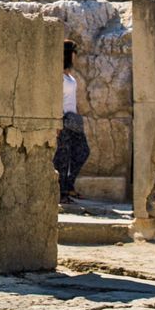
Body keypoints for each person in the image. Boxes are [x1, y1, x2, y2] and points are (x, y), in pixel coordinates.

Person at [55, 40, 90, 202]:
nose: (76, 56)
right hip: (63, 121)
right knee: (62, 157)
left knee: (82, 151)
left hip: (73, 120)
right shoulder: (57, 75)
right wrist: (57, 124)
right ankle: (61, 193)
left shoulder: (69, 76)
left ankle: (69, 185)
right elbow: (55, 100)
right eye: (75, 53)